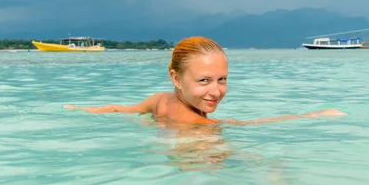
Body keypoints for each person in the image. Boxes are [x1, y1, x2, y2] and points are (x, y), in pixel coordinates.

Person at [64, 36, 346, 125]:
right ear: (175, 77)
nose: (216, 91)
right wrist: (310, 115)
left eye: (222, 79)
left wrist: (81, 109)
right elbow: (245, 125)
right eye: (204, 81)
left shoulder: (159, 101)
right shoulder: (199, 126)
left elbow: (118, 109)